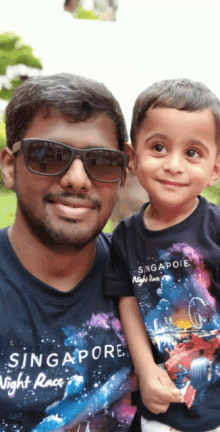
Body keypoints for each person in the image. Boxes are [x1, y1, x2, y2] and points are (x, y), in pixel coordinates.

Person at [0, 73, 138, 432]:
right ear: (9, 166)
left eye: (101, 161)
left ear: (122, 173)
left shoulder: (147, 283)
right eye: (48, 155)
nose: (77, 179)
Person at [105, 78, 220, 432]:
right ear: (132, 157)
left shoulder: (214, 229)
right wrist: (145, 367)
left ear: (215, 168)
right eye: (158, 147)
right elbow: (128, 300)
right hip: (160, 404)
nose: (173, 165)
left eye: (192, 153)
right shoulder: (126, 235)